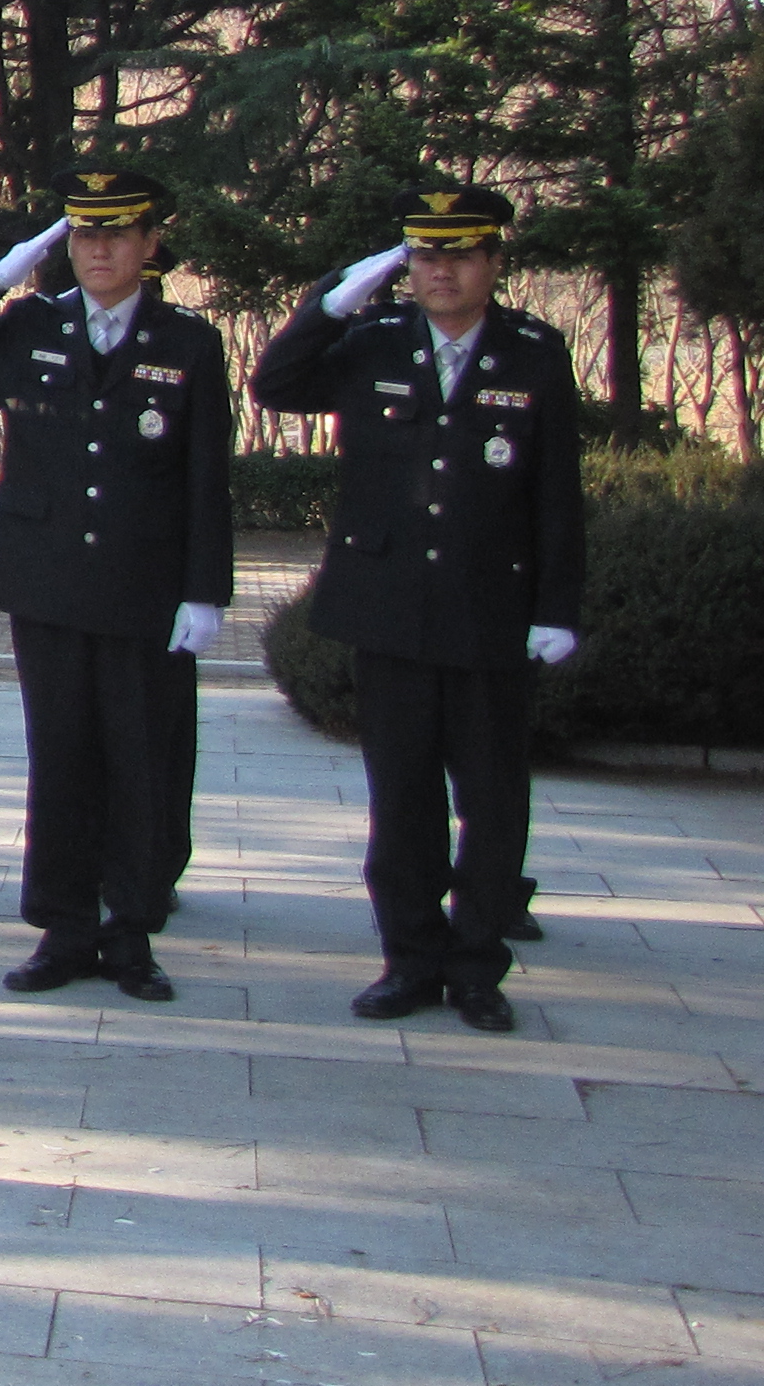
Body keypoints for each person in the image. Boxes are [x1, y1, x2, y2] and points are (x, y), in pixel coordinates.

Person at [248, 186, 583, 1032]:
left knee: (493, 799)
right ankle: (409, 958)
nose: (441, 272)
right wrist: (337, 296)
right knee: (401, 800)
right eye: (425, 256)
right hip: (390, 608)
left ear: (493, 262)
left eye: (460, 255)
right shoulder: (374, 340)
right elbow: (276, 382)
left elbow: (557, 494)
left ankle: (476, 966)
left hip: (490, 609)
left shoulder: (534, 353)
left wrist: (557, 607)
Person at [0, 166, 232, 1004]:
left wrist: (206, 591)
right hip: (46, 580)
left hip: (142, 584)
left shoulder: (187, 341)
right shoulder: (28, 325)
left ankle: (130, 931)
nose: (100, 250)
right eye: (85, 235)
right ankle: (63, 927)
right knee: (60, 758)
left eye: (117, 234)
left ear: (149, 244)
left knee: (139, 761)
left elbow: (206, 476)